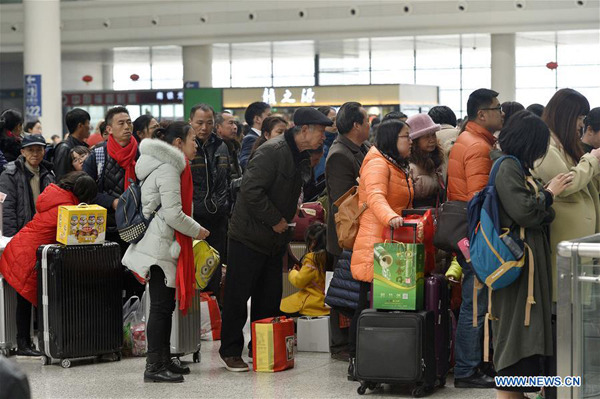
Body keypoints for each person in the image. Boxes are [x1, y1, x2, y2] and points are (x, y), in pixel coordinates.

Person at [219, 107, 332, 372]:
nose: (323, 139)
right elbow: (250, 190)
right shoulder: (273, 151)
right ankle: (230, 351)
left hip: (275, 238)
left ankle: (261, 346)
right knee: (238, 295)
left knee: (269, 297)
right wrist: (275, 219)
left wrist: (291, 211)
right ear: (304, 130)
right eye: (320, 132)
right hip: (248, 236)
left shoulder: (301, 154)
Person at [491, 110, 575, 399]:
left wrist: (543, 204)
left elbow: (540, 212)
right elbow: (526, 211)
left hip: (525, 266)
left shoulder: (517, 167)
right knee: (515, 334)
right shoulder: (507, 167)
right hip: (517, 269)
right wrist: (549, 194)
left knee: (522, 333)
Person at [122, 122, 210, 383]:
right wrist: (197, 230)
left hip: (161, 243)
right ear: (178, 143)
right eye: (192, 139)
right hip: (159, 247)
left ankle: (163, 360)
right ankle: (154, 366)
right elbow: (172, 213)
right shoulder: (170, 167)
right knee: (160, 308)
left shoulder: (163, 165)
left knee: (164, 307)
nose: (196, 144)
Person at [0, 171, 97, 357]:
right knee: (28, 300)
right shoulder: (68, 208)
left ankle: (33, 342)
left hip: (21, 248)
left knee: (28, 300)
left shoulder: (55, 196)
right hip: (28, 256)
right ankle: (25, 344)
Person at [348, 119, 414, 378]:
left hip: (390, 243)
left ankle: (382, 361)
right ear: (390, 139)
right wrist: (390, 218)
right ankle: (357, 361)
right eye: (405, 136)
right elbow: (376, 196)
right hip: (375, 243)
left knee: (383, 304)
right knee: (366, 304)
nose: (409, 140)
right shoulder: (377, 162)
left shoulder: (393, 163)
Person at [447, 88, 504, 389]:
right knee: (475, 304)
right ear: (482, 114)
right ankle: (468, 370)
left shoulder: (467, 140)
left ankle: (472, 364)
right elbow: (480, 203)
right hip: (475, 238)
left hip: (464, 236)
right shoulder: (479, 148)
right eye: (497, 108)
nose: (502, 113)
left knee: (474, 302)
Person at [532, 89, 600, 300]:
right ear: (566, 115)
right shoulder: (544, 146)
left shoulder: (564, 144)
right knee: (565, 307)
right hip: (563, 240)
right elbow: (566, 183)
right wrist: (593, 159)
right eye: (579, 118)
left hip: (576, 241)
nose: (581, 124)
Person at [325, 101, 371, 362]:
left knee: (353, 288)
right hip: (346, 233)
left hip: (360, 231)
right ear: (356, 125)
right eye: (366, 121)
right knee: (342, 290)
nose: (368, 125)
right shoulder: (339, 155)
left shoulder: (361, 147)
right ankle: (339, 345)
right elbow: (345, 202)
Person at [83, 106, 143, 300]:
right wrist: (114, 202)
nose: (127, 127)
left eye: (129, 122)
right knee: (110, 282)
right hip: (108, 229)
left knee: (137, 279)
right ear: (108, 129)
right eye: (121, 123)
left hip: (138, 227)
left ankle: (136, 326)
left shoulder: (141, 153)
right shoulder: (97, 156)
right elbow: (87, 193)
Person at [188, 104, 230, 302]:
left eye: (209, 123)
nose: (204, 128)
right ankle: (195, 306)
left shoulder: (222, 146)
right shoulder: (186, 146)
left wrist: (226, 206)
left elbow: (231, 178)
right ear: (191, 122)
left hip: (219, 216)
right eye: (199, 123)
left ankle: (212, 308)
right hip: (194, 218)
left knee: (216, 263)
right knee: (195, 265)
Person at [0, 134, 54, 238]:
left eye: (39, 150)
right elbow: (6, 211)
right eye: (30, 150)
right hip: (20, 234)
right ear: (23, 152)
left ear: (44, 151)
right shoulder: (10, 175)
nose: (35, 154)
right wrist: (12, 239)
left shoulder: (49, 174)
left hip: (42, 232)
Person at [280, 222, 331, 317]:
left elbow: (299, 281)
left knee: (280, 307)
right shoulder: (331, 256)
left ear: (313, 243)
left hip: (313, 303)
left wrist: (293, 272)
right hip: (328, 303)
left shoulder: (312, 259)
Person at [406, 113, 444, 208]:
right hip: (416, 215)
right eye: (426, 137)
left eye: (433, 135)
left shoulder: (436, 160)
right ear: (415, 140)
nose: (432, 140)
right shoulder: (409, 165)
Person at [53, 108, 90, 180]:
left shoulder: (82, 145)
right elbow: (61, 177)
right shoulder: (65, 148)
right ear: (80, 126)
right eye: (88, 123)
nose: (89, 127)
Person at [238, 101, 271, 170]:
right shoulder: (251, 138)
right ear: (257, 119)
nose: (272, 119)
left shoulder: (262, 137)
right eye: (269, 115)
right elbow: (245, 162)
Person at [215, 111, 242, 181]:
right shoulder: (215, 148)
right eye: (231, 123)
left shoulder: (234, 146)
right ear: (218, 127)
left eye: (235, 123)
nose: (235, 127)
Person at [314, 106, 338, 180]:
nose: (335, 123)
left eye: (336, 120)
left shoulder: (338, 140)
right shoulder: (316, 144)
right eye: (332, 120)